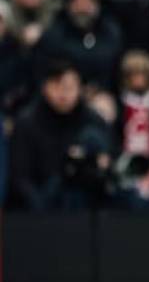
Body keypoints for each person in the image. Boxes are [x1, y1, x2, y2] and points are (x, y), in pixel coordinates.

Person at [8, 62, 113, 210]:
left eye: (69, 88)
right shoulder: (26, 123)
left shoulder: (93, 121)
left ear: (79, 89)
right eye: (57, 86)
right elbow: (20, 178)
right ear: (45, 88)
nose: (63, 94)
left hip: (87, 204)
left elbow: (110, 157)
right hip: (43, 204)